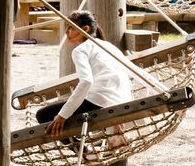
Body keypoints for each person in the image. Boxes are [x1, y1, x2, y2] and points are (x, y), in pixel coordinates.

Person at [36, 11, 132, 142]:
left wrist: (62, 116)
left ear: (85, 29)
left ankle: (85, 152)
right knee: (69, 105)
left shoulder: (80, 50)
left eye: (70, 27)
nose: (67, 32)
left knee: (43, 115)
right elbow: (133, 70)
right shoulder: (109, 46)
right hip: (122, 100)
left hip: (100, 101)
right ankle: (108, 138)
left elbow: (86, 82)